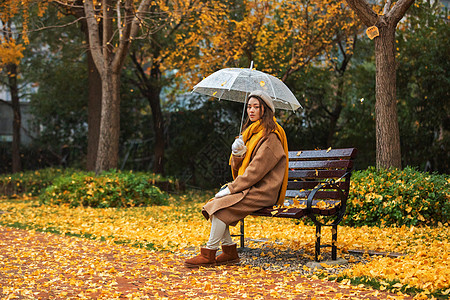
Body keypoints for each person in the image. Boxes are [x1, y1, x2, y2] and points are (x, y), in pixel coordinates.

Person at [184, 90, 289, 268]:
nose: (252, 110)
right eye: (249, 107)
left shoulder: (271, 136)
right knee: (216, 205)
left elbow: (255, 171)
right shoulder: (250, 133)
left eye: (256, 107)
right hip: (249, 187)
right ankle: (229, 253)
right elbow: (238, 168)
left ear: (266, 110)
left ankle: (210, 253)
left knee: (220, 209)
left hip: (263, 190)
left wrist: (231, 189)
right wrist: (237, 154)